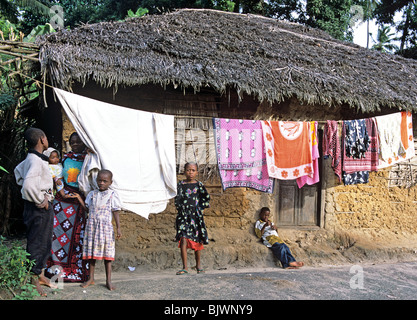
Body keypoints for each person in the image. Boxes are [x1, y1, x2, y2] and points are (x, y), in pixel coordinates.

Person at [14, 127, 55, 296]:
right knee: (37, 243)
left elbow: (18, 172)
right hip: (38, 209)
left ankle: (41, 275)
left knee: (44, 241)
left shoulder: (33, 158)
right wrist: (41, 199)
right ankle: (33, 280)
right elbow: (28, 185)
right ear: (42, 140)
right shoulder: (36, 161)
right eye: (45, 138)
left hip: (38, 208)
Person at [45, 132, 90, 282]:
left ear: (84, 143)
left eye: (78, 142)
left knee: (76, 237)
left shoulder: (89, 159)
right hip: (62, 200)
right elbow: (57, 176)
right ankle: (55, 269)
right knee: (56, 233)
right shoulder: (65, 158)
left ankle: (73, 270)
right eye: (73, 143)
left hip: (78, 201)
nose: (75, 145)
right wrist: (61, 191)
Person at [78, 169, 122, 291]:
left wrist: (118, 228)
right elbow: (87, 209)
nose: (101, 183)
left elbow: (116, 211)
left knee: (107, 255)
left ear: (110, 182)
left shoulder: (112, 195)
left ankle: (108, 281)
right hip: (92, 227)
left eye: (105, 181)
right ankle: (91, 278)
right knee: (92, 254)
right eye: (99, 180)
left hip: (105, 228)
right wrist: (79, 199)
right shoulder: (92, 194)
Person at [174, 162, 210, 275]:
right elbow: (177, 199)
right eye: (188, 170)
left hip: (196, 216)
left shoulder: (199, 185)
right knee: (183, 238)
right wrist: (181, 208)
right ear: (184, 171)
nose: (190, 172)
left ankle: (198, 265)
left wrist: (199, 208)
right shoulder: (180, 185)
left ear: (196, 172)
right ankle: (185, 267)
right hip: (183, 216)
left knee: (197, 240)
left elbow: (206, 197)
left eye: (193, 170)